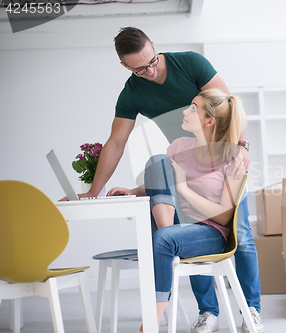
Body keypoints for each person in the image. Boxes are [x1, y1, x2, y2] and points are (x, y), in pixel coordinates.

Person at [70, 27, 263, 333]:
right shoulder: (133, 92)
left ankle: (251, 309)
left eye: (152, 61)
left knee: (241, 234)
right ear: (125, 67)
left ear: (154, 47)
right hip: (187, 162)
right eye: (139, 68)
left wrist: (241, 147)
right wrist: (95, 191)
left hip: (224, 159)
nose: (149, 70)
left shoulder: (190, 63)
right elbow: (116, 142)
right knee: (186, 232)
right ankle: (208, 312)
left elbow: (227, 104)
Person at [109, 89, 248, 331]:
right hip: (178, 226)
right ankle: (168, 236)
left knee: (162, 240)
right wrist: (132, 191)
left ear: (209, 121)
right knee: (157, 161)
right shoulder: (178, 146)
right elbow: (162, 181)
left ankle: (150, 323)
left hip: (211, 233)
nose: (185, 111)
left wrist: (183, 189)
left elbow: (225, 216)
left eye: (193, 108)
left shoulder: (231, 157)